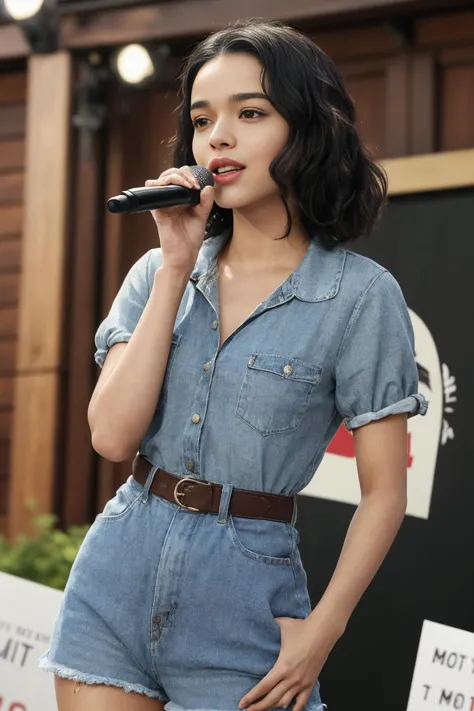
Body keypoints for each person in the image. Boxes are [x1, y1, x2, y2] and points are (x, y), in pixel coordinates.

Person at [38, 17, 428, 711]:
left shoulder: (360, 296)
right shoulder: (159, 270)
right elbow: (111, 437)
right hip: (117, 579)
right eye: (202, 118)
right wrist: (176, 264)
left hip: (246, 598)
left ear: (306, 128)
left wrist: (321, 631)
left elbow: (384, 493)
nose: (217, 136)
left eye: (250, 113)